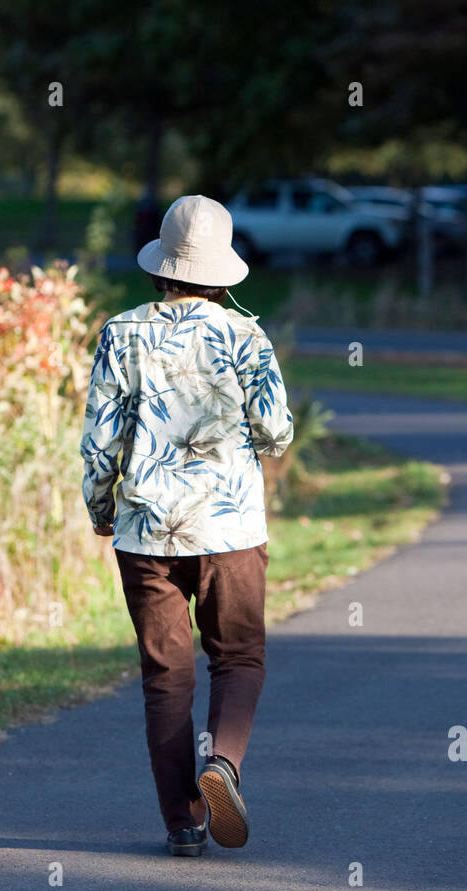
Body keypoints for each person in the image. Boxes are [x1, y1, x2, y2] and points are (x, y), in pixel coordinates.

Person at [79, 194, 294, 856]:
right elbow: (276, 429)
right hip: (230, 529)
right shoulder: (246, 336)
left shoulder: (122, 331)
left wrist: (101, 510)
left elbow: (99, 443)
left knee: (165, 676)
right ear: (222, 269)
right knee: (239, 657)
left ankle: (183, 822)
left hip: (148, 533)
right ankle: (223, 765)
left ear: (161, 265)